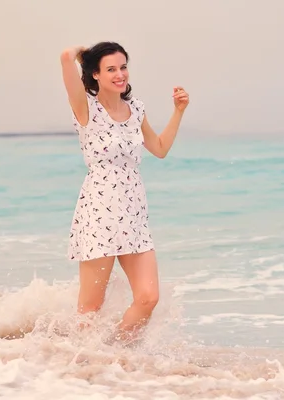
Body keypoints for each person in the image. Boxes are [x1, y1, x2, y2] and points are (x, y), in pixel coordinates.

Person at [60, 41, 189, 345]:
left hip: (133, 213)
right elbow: (66, 60)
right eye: (111, 69)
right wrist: (80, 53)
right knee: (90, 308)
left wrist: (178, 112)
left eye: (123, 67)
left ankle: (116, 355)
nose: (120, 74)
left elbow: (159, 149)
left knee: (148, 297)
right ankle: (77, 363)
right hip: (99, 212)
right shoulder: (86, 109)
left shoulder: (136, 109)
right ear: (95, 74)